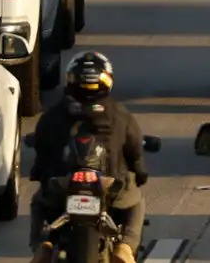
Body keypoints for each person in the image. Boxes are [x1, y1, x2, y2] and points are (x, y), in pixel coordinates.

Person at [30, 52, 147, 263]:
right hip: (111, 184)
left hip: (62, 184)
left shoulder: (54, 115)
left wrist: (39, 173)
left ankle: (43, 245)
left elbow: (41, 148)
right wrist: (140, 172)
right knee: (136, 202)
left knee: (39, 203)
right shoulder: (121, 115)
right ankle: (125, 247)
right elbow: (135, 149)